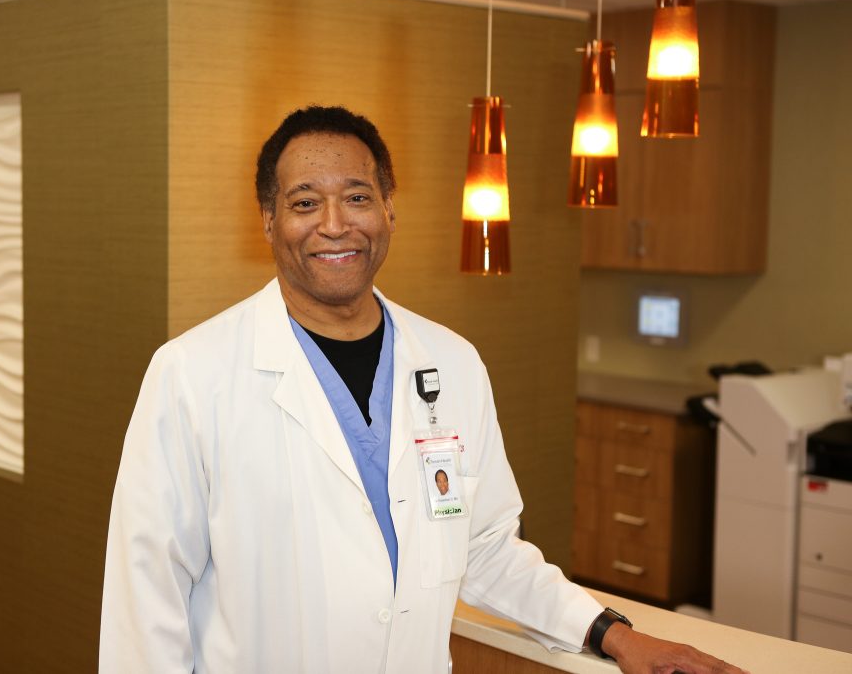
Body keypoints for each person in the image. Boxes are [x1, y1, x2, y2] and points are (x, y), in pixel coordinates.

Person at [100, 105, 749, 674]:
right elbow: (145, 597)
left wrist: (614, 634)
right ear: (268, 220)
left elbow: (488, 548)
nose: (334, 223)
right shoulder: (192, 373)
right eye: (304, 202)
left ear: (389, 208)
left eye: (357, 196)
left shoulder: (452, 362)